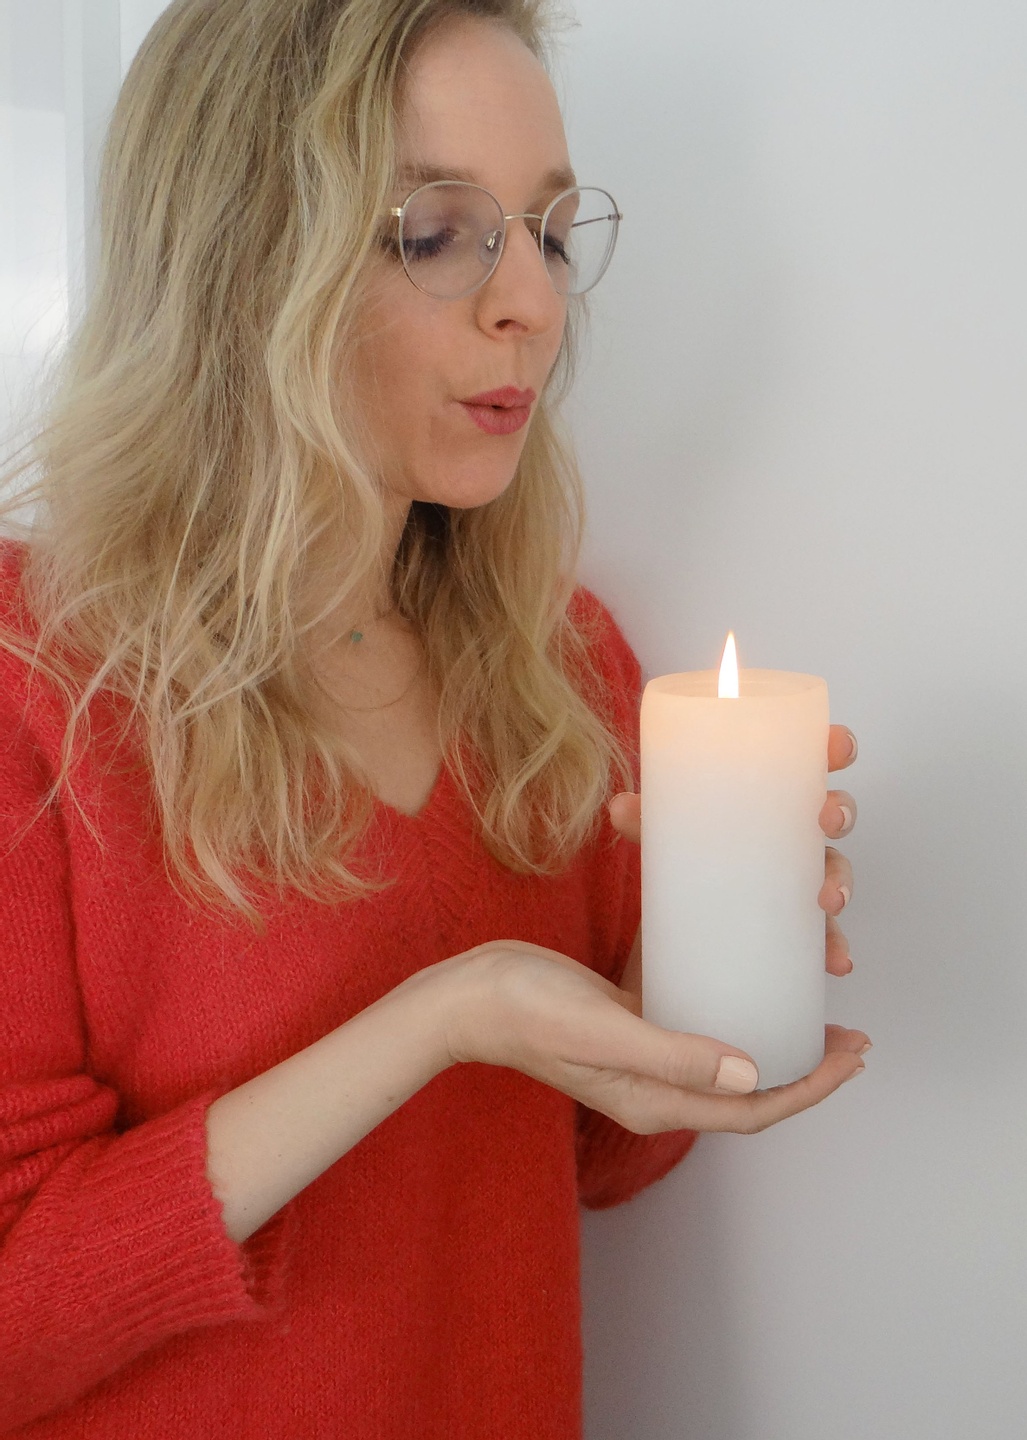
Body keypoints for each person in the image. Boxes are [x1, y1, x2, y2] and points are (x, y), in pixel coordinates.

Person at [0, 1, 869, 1435]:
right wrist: (442, 1019)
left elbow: (595, 1161)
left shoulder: (563, 670)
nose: (534, 302)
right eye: (441, 232)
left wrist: (705, 965)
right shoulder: (33, 677)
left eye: (549, 232)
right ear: (247, 262)